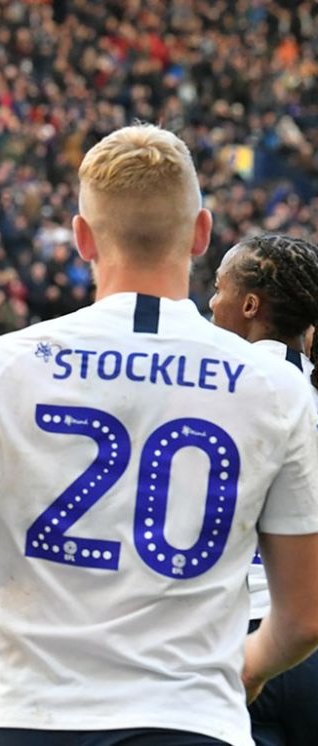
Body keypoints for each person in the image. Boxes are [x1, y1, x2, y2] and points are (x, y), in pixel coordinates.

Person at [0, 124, 318, 746]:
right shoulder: (278, 387)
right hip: (191, 719)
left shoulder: (0, 365)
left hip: (35, 719)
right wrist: (249, 668)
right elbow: (304, 614)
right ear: (201, 233)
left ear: (81, 237)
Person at [208, 232, 318, 746]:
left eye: (219, 289)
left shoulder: (217, 390)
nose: (212, 302)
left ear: (250, 305)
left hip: (241, 637)